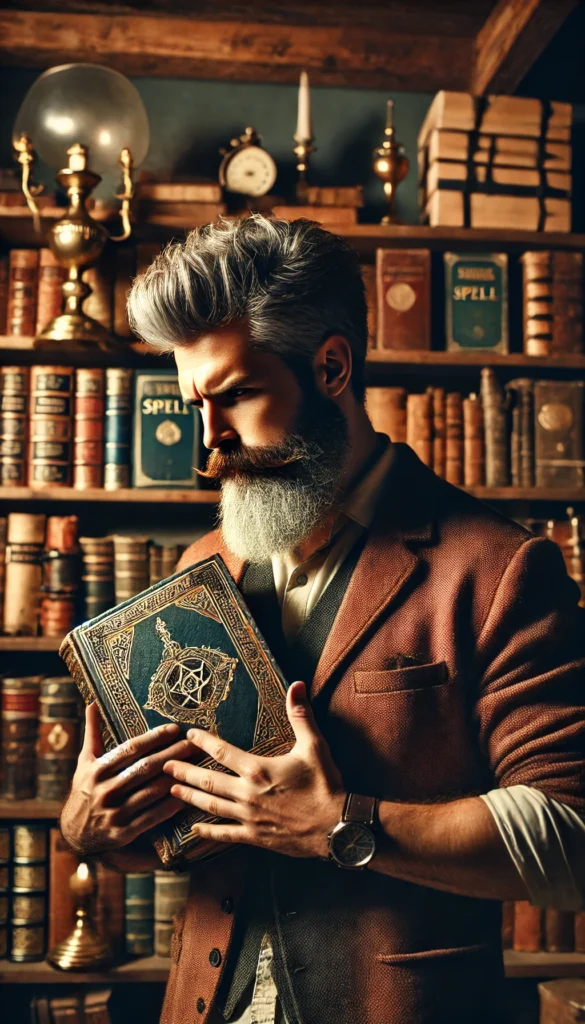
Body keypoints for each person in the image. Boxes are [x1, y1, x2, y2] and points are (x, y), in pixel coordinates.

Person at [61, 215, 585, 1024]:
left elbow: (569, 832)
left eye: (235, 396)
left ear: (331, 365)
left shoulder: (498, 567)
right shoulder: (203, 568)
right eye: (194, 402)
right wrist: (94, 823)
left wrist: (343, 825)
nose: (209, 443)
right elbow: (185, 823)